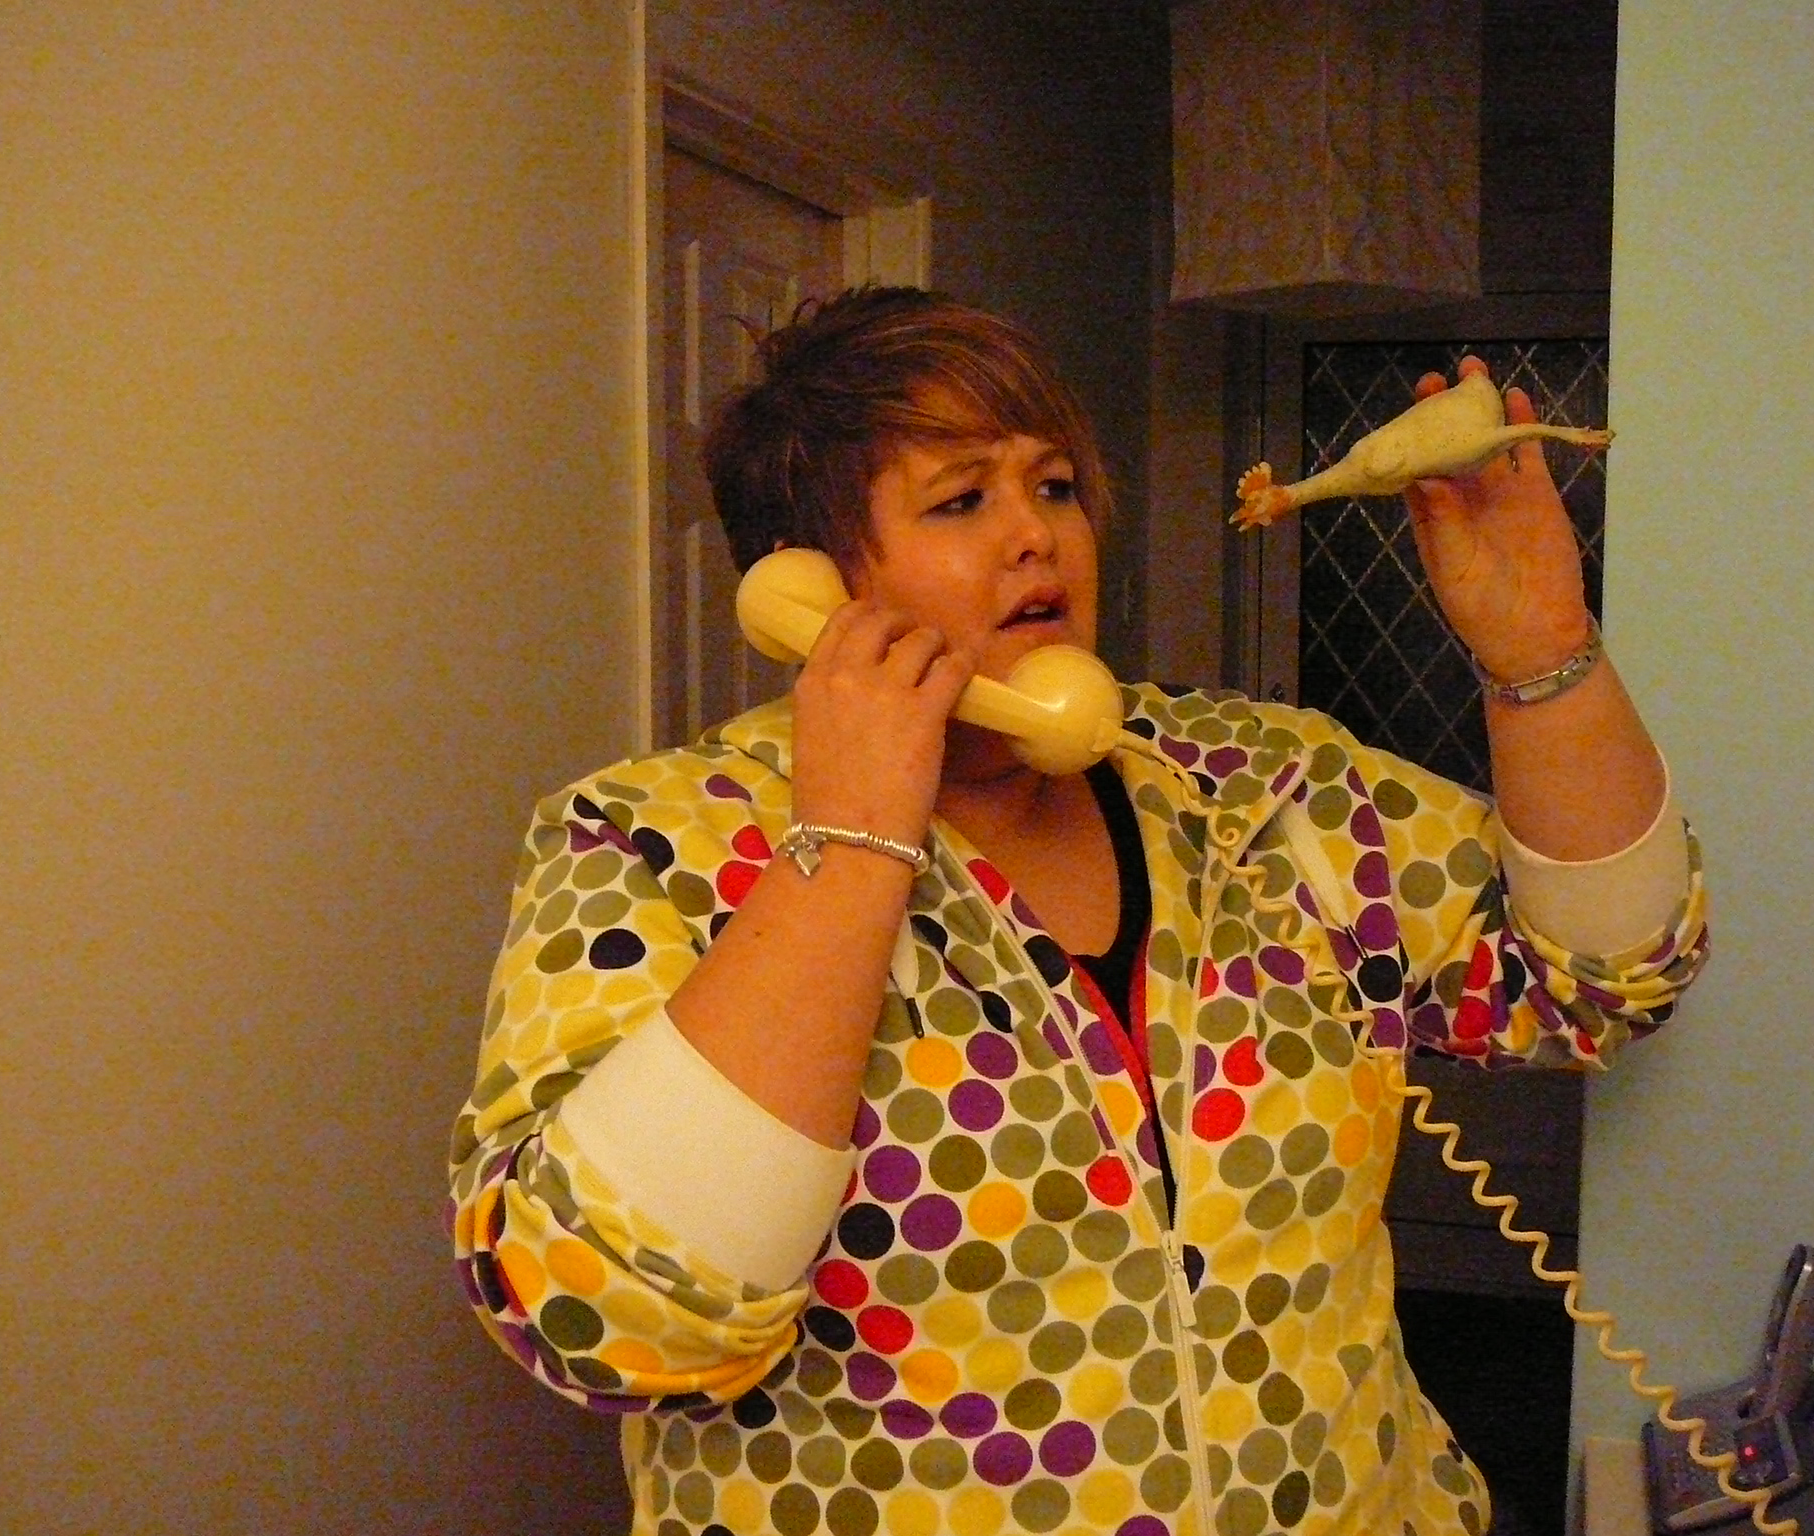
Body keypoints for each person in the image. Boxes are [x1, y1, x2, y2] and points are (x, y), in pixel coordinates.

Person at [449, 285, 1707, 1536]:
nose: (1035, 536)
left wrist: (1541, 649)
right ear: (805, 587)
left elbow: (1605, 979)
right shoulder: (650, 844)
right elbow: (609, 1320)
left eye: (1051, 486)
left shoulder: (1262, 786)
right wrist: (852, 836)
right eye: (961, 500)